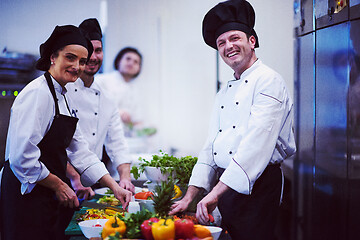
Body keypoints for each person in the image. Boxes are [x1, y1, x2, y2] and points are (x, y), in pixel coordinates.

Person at [169, 0, 296, 239]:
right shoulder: (225, 91)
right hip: (227, 186)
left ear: (252, 41)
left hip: (258, 187)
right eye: (221, 43)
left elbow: (255, 146)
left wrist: (215, 193)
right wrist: (190, 194)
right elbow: (211, 145)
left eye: (235, 38)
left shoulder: (269, 81)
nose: (229, 46)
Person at [0, 25, 132, 240]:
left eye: (81, 61)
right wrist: (60, 184)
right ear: (53, 56)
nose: (77, 66)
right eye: (70, 58)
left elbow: (80, 149)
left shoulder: (62, 95)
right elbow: (21, 157)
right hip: (27, 191)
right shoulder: (37, 93)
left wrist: (114, 186)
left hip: (45, 190)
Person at [66, 18, 135, 196]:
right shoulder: (62, 92)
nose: (93, 57)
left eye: (98, 50)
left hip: (92, 181)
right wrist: (74, 178)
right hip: (61, 181)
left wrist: (125, 177)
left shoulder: (106, 97)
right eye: (88, 50)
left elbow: (117, 143)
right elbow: (53, 147)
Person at [97, 47, 143, 129]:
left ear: (139, 68)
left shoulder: (135, 90)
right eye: (128, 59)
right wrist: (118, 113)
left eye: (136, 62)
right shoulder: (101, 80)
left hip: (125, 137)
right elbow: (93, 106)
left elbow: (137, 120)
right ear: (119, 61)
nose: (131, 63)